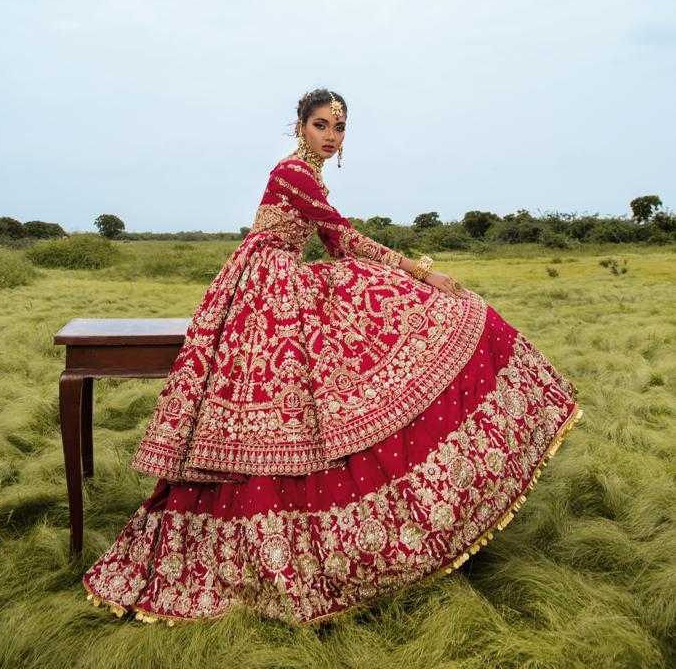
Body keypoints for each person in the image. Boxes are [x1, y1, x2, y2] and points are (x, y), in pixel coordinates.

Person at [83, 88, 583, 626]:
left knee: (373, 324)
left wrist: (399, 276)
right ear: (299, 126)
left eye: (338, 129)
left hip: (282, 277)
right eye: (321, 125)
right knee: (290, 400)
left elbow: (337, 244)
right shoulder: (292, 172)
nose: (331, 136)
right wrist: (420, 271)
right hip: (266, 283)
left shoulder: (310, 176)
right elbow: (344, 236)